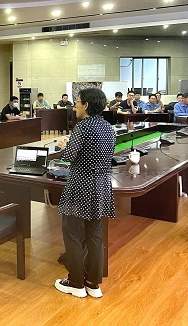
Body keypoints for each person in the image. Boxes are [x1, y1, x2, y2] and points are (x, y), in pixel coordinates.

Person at [54, 87, 115, 299]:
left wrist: (64, 145)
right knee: (95, 235)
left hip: (80, 184)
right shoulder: (108, 127)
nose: (75, 106)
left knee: (71, 232)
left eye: (77, 102)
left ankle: (75, 282)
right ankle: (93, 284)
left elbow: (68, 157)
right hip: (101, 185)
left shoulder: (82, 127)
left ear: (86, 105)